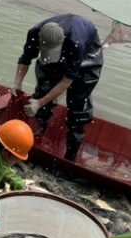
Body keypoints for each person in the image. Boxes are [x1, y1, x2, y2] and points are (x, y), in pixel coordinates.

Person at [11, 13, 103, 161]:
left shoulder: (76, 43)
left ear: (64, 40)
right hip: (61, 43)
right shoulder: (34, 32)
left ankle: (70, 158)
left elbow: (68, 80)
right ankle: (33, 144)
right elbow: (25, 59)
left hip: (88, 54)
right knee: (43, 92)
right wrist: (17, 82)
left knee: (78, 104)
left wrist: (40, 102)